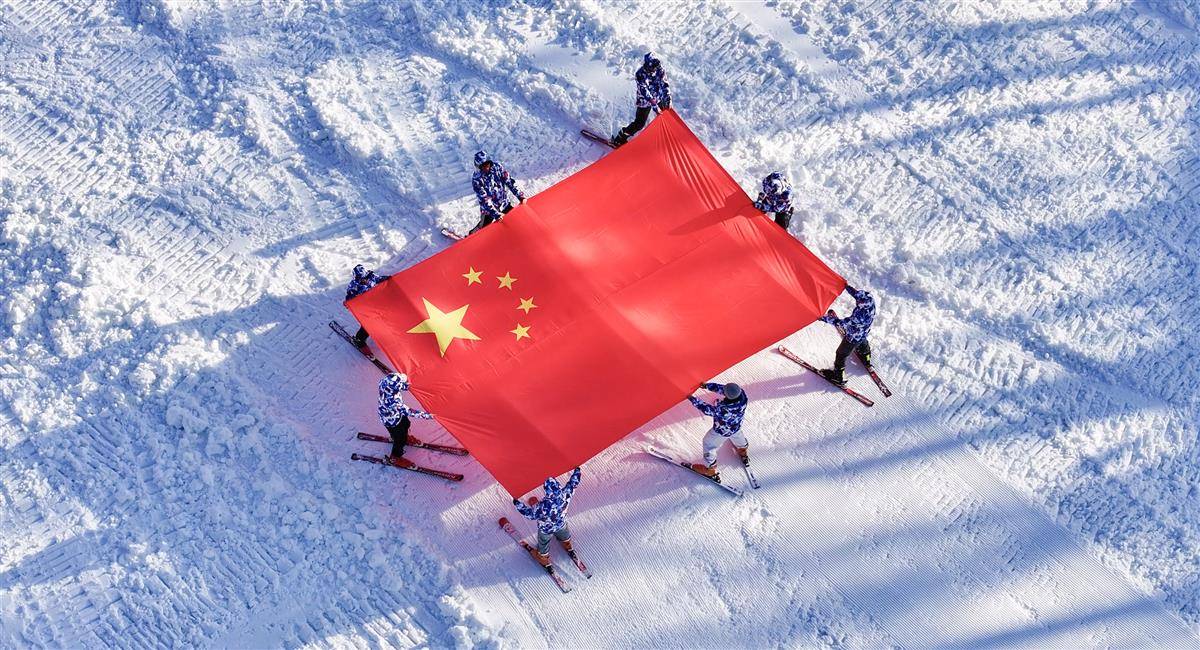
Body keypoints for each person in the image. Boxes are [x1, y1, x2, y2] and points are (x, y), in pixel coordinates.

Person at [512, 468, 582, 563]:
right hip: (560, 524)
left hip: (546, 530)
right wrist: (577, 472)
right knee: (564, 533)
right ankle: (567, 544)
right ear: (558, 485)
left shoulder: (542, 507)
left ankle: (543, 556)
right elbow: (573, 484)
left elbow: (529, 514)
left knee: (543, 542)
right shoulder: (565, 494)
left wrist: (518, 504)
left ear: (546, 491)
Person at [687, 382, 749, 480]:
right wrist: (708, 386)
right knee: (736, 434)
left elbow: (707, 410)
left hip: (721, 431)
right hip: (735, 426)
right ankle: (742, 449)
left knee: (708, 443)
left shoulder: (723, 410)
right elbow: (726, 390)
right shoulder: (743, 397)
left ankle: (710, 468)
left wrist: (694, 400)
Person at [817, 285, 876, 386]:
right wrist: (846, 287)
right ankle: (866, 357)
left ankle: (839, 377)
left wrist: (824, 318)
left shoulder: (859, 317)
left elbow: (842, 323)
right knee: (862, 341)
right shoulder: (870, 301)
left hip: (852, 337)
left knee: (841, 354)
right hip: (863, 332)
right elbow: (858, 294)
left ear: (862, 304)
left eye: (859, 302)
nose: (857, 302)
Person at [611, 53, 672, 147]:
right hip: (645, 102)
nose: (655, 69)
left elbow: (664, 84)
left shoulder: (660, 70)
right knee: (639, 123)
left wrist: (668, 97)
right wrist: (654, 105)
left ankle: (668, 139)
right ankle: (620, 137)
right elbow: (644, 91)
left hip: (658, 97)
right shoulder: (640, 74)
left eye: (656, 66)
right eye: (653, 67)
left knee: (666, 117)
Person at [377, 372, 434, 459]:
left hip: (397, 414)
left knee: (406, 423)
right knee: (400, 439)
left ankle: (400, 437)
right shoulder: (392, 401)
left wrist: (412, 387)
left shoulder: (385, 384)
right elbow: (409, 411)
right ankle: (395, 457)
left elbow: (399, 385)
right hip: (391, 421)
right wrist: (428, 416)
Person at [470, 150, 525, 234]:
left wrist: (520, 196)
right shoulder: (476, 179)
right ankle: (471, 236)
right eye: (483, 166)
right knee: (482, 230)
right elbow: (484, 199)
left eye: (487, 164)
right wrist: (495, 213)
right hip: (489, 211)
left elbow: (509, 181)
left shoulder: (497, 167)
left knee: (516, 221)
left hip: (504, 204)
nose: (486, 167)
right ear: (478, 167)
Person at [345, 264, 390, 348]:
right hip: (365, 307)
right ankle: (359, 339)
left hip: (376, 302)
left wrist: (388, 278)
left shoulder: (371, 276)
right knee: (368, 323)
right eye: (360, 279)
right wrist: (350, 301)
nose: (363, 280)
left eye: (364, 278)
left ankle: (383, 333)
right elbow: (349, 297)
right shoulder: (354, 285)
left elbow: (379, 279)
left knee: (382, 317)